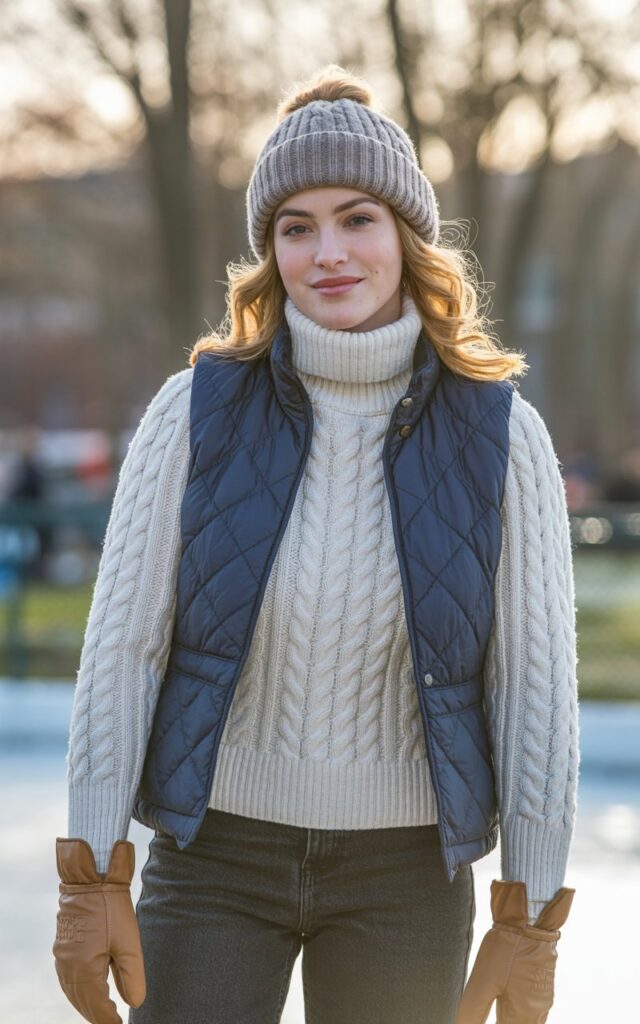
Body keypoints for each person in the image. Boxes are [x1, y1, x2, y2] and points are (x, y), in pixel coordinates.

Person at [52, 65, 578, 1024]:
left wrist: (531, 915)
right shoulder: (195, 413)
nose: (328, 252)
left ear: (407, 237)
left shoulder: (501, 434)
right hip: (214, 858)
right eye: (296, 227)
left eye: (357, 218)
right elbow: (122, 649)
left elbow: (534, 681)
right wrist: (93, 876)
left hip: (407, 879)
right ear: (270, 252)